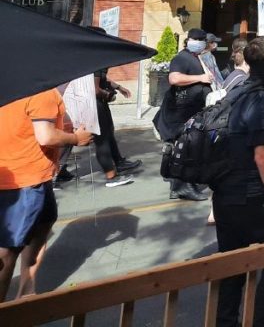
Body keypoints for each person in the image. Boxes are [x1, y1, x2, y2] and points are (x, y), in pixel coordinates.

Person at [209, 37, 264, 327]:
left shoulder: (237, 91)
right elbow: (263, 158)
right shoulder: (261, 101)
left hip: (225, 194)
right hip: (252, 196)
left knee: (231, 266)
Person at [0, 89, 92, 301]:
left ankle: (27, 293)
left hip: (28, 176)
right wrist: (76, 138)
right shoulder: (42, 91)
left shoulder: (10, 81)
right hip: (26, 181)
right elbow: (46, 135)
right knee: (8, 250)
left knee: (43, 226)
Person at [154, 27, 216, 201]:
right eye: (200, 40)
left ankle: (177, 185)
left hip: (190, 110)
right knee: (186, 147)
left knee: (185, 147)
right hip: (179, 112)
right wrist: (200, 78)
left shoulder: (198, 58)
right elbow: (174, 79)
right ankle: (183, 186)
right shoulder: (182, 58)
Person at [86, 26, 141, 188]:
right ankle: (111, 177)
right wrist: (109, 95)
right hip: (94, 104)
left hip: (95, 104)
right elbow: (94, 89)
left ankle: (119, 162)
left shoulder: (91, 55)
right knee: (101, 139)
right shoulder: (95, 58)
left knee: (108, 133)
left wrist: (118, 87)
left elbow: (102, 79)